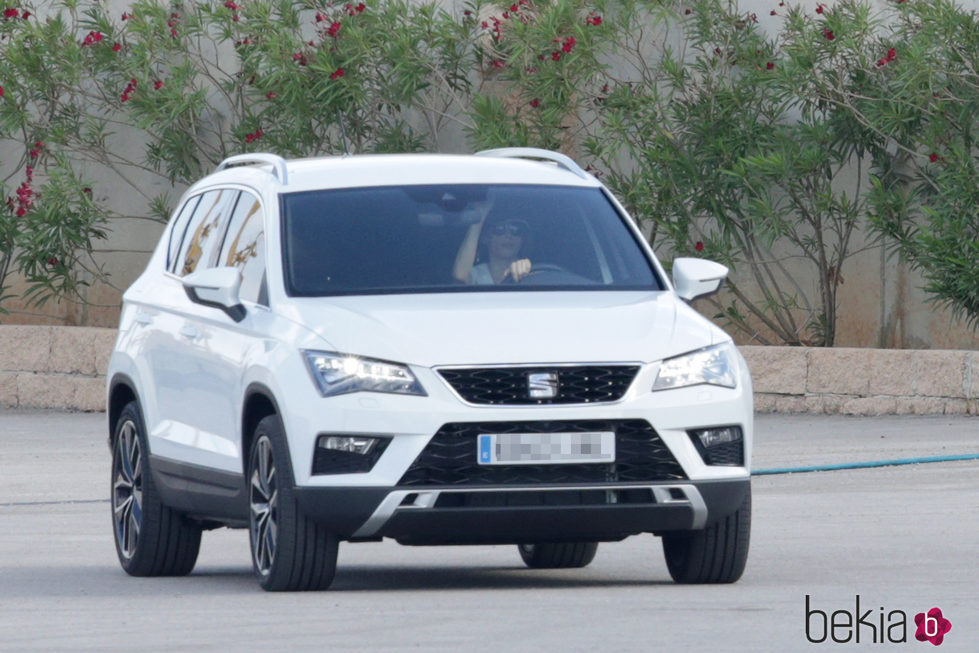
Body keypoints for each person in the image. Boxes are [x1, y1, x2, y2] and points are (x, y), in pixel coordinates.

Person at [453, 215, 533, 284]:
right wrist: (479, 219)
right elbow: (460, 276)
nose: (508, 235)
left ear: (522, 239)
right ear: (485, 238)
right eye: (499, 229)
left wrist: (527, 272)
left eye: (516, 230)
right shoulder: (476, 273)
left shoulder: (534, 273)